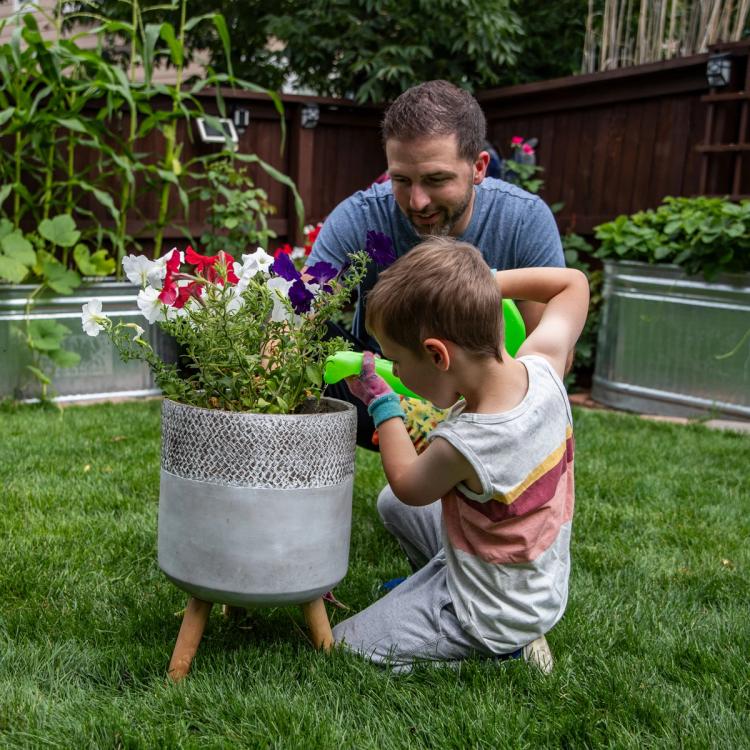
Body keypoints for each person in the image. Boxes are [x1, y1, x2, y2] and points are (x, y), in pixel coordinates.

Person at [332, 237, 589, 673]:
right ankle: (434, 585)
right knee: (388, 507)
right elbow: (572, 284)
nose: (396, 373)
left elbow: (410, 484)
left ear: (437, 355)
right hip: (530, 576)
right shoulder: (543, 364)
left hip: (491, 611)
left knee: (348, 644)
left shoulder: (467, 443)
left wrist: (381, 402)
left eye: (397, 362)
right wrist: (483, 287)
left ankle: (500, 656)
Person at [304, 79, 564, 447]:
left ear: (478, 167)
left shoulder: (524, 220)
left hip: (490, 406)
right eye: (401, 180)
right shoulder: (359, 217)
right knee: (301, 336)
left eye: (436, 180)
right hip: (382, 389)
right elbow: (298, 314)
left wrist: (479, 418)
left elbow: (546, 361)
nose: (417, 201)